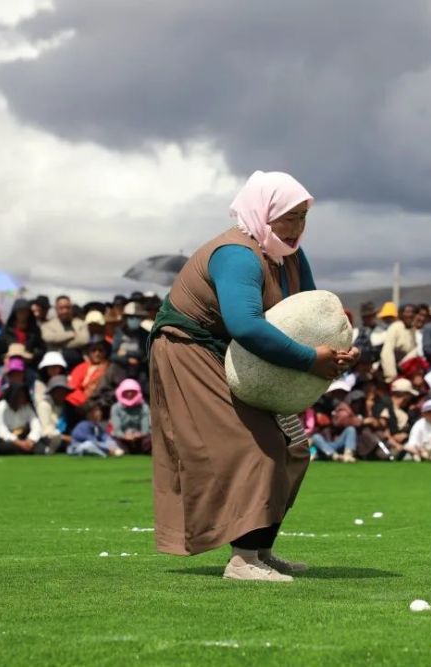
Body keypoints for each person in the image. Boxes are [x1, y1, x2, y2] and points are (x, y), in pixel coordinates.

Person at [147, 170, 356, 582]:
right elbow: (245, 325)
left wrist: (341, 349)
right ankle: (242, 561)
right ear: (265, 213)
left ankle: (260, 549)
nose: (297, 228)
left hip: (242, 355)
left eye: (302, 217)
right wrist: (311, 361)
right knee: (253, 443)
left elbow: (312, 314)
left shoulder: (290, 255)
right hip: (190, 350)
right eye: (288, 218)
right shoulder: (237, 254)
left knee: (293, 444)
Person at [0, 299, 44, 372]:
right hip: (9, 365)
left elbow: (41, 348)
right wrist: (4, 359)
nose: (23, 314)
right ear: (15, 313)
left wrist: (33, 355)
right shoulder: (6, 331)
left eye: (25, 311)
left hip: (29, 366)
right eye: (20, 311)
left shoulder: (34, 331)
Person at [0, 383, 43, 455]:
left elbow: (36, 425)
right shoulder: (0, 407)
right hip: (8, 440)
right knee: (4, 447)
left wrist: (30, 440)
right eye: (19, 396)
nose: (21, 398)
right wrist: (18, 443)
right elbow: (1, 430)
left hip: (25, 437)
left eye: (23, 396)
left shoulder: (27, 407)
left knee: (40, 449)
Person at [41, 295, 89, 364]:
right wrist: (71, 334)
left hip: (80, 364)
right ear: (56, 309)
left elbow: (84, 340)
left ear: (71, 308)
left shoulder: (81, 324)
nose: (65, 311)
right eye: (61, 308)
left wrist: (58, 344)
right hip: (56, 365)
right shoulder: (47, 326)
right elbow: (49, 338)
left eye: (67, 307)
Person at [67, 337, 111, 412]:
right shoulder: (81, 367)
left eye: (100, 350)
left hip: (103, 405)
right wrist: (84, 402)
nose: (97, 353)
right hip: (81, 405)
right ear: (89, 352)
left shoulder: (110, 368)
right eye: (93, 350)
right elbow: (72, 387)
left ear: (106, 352)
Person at [376, 378, 418, 458]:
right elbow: (383, 430)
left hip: (405, 443)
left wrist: (406, 435)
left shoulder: (407, 410)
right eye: (409, 395)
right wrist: (396, 444)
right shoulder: (384, 406)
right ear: (404, 394)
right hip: (389, 447)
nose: (410, 398)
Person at [110, 378, 151, 455]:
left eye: (132, 392)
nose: (129, 394)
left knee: (150, 440)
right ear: (121, 393)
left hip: (140, 438)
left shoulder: (144, 407)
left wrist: (139, 435)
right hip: (123, 439)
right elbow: (116, 429)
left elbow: (145, 428)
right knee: (113, 441)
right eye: (126, 392)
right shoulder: (115, 408)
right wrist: (124, 436)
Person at [379, 303, 418, 382]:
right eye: (407, 312)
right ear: (401, 314)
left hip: (408, 369)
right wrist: (391, 375)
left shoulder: (414, 330)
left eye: (412, 312)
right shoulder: (395, 327)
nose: (410, 314)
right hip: (394, 370)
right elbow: (387, 352)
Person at [36, 375, 72, 455]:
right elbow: (46, 431)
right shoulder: (44, 405)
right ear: (52, 392)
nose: (61, 394)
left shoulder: (67, 406)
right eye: (58, 391)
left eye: (63, 391)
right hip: (46, 439)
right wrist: (65, 438)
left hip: (64, 440)